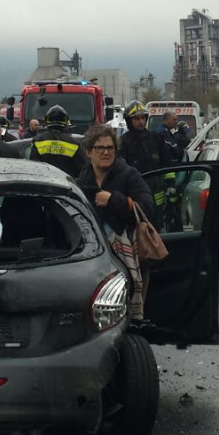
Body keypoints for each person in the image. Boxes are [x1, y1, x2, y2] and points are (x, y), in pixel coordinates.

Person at [77, 124, 155, 320]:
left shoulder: (129, 175)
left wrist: (113, 201)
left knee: (126, 313)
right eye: (100, 148)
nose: (105, 152)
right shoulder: (81, 180)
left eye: (110, 148)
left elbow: (147, 207)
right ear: (88, 152)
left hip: (127, 258)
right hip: (92, 258)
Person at [119, 100, 174, 227]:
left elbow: (167, 162)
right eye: (136, 118)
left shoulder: (156, 137)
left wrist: (171, 185)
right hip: (135, 192)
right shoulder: (123, 142)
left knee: (157, 225)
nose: (141, 121)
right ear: (129, 121)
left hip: (157, 191)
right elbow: (121, 169)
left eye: (143, 118)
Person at [29, 104, 87, 177]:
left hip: (44, 183)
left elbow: (33, 166)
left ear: (47, 120)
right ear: (66, 121)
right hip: (67, 185)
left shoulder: (37, 141)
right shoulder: (74, 143)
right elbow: (81, 169)